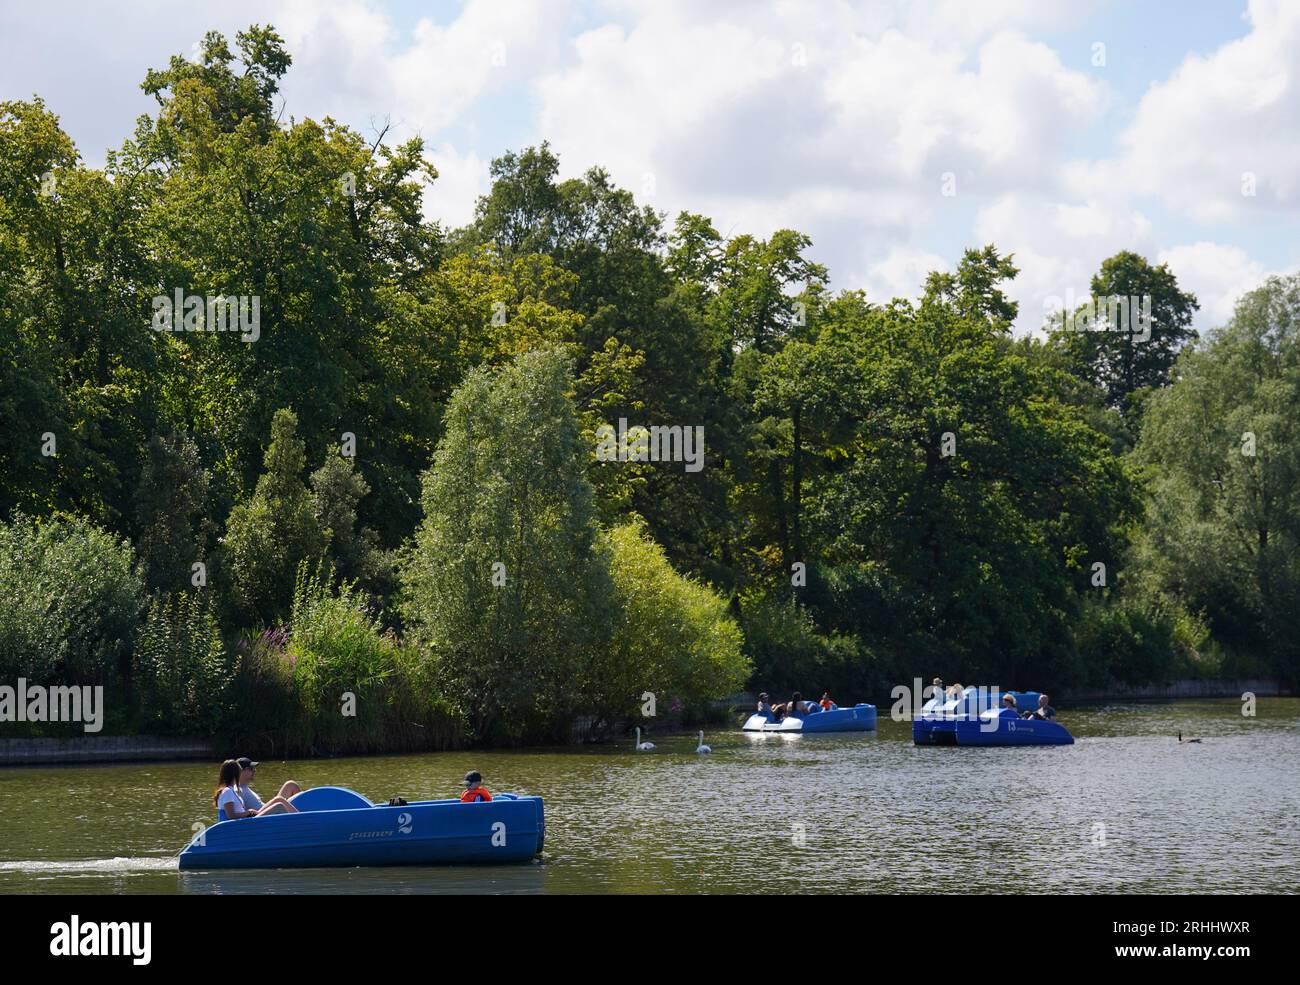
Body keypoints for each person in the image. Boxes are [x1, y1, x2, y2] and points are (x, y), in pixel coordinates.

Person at [212, 758, 299, 820]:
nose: (254, 771)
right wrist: (248, 812)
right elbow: (231, 816)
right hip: (247, 822)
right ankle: (300, 821)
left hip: (250, 818)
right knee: (279, 804)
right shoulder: (229, 791)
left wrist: (249, 812)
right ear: (236, 773)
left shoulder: (230, 791)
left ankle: (300, 819)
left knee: (281, 799)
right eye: (239, 771)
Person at [236, 756, 301, 814]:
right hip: (260, 816)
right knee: (279, 799)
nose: (254, 771)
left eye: (254, 768)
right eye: (251, 769)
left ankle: (301, 812)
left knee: (291, 785)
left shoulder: (245, 787)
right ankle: (301, 819)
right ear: (241, 771)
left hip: (265, 810)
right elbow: (238, 810)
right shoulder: (237, 790)